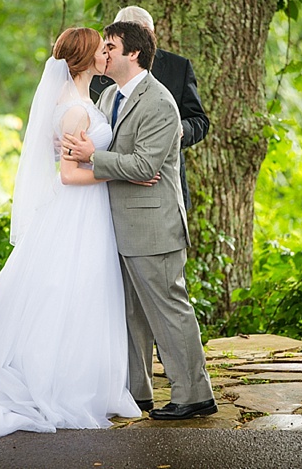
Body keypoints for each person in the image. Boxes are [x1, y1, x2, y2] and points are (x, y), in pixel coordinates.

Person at [0, 27, 141, 437]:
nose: (107, 54)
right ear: (86, 58)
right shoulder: (75, 110)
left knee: (83, 291)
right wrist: (113, 171)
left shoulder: (83, 100)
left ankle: (86, 380)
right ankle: (57, 384)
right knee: (68, 291)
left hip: (89, 211)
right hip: (78, 209)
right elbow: (70, 174)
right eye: (101, 50)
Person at [63, 21, 216, 420]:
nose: (104, 53)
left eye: (110, 46)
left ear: (133, 54)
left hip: (153, 226)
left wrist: (95, 157)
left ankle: (194, 394)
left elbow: (146, 164)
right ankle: (137, 392)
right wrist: (112, 162)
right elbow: (125, 161)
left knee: (168, 311)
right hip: (116, 223)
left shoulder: (160, 102)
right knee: (129, 315)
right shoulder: (111, 94)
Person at [90, 6, 209, 210]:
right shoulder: (102, 72)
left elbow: (199, 120)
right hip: (109, 185)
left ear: (150, 34)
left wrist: (178, 130)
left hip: (161, 179)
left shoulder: (178, 67)